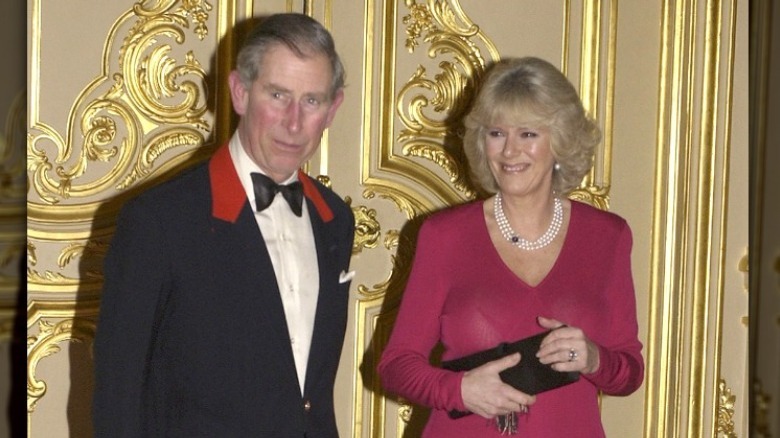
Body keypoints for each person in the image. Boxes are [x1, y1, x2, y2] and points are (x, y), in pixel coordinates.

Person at [92, 13, 355, 437]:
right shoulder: (159, 220)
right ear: (239, 92)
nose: (293, 122)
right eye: (277, 95)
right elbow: (116, 396)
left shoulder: (335, 220)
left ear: (333, 108)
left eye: (312, 101)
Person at [377, 57, 644, 437]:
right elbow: (396, 364)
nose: (509, 151)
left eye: (529, 134)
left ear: (561, 140)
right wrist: (460, 390)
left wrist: (594, 358)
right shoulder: (444, 235)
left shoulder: (607, 237)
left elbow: (630, 372)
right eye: (496, 133)